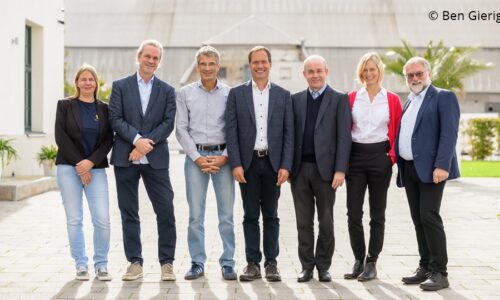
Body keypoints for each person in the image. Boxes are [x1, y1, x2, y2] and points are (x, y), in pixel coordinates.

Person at [108, 39, 177, 281]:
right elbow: (115, 118)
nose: (151, 61)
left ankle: (167, 263)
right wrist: (136, 140)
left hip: (156, 160)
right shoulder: (120, 86)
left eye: (156, 58)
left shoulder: (168, 91)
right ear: (139, 57)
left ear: (159, 62)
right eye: (147, 56)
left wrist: (145, 146)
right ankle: (135, 262)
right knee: (129, 212)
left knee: (166, 210)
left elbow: (168, 123)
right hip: (125, 158)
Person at [225, 46, 294, 282]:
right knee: (250, 214)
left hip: (274, 164)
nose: (260, 66)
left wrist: (286, 165)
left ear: (270, 64)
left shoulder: (284, 95)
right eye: (255, 62)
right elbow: (231, 132)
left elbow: (288, 134)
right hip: (249, 163)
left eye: (264, 62)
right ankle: (252, 263)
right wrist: (236, 163)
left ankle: (271, 264)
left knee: (272, 215)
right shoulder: (237, 94)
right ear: (250, 65)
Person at [396, 57, 460, 291]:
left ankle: (440, 273)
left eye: (418, 74)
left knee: (429, 217)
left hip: (433, 169)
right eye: (410, 75)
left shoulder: (443, 96)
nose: (414, 78)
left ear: (428, 74)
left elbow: (449, 133)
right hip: (410, 167)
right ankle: (425, 267)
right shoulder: (410, 101)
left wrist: (442, 165)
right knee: (418, 219)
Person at [176, 45, 237, 281]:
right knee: (195, 216)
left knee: (226, 215)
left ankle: (228, 262)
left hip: (223, 159)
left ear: (218, 66)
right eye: (203, 64)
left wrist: (225, 156)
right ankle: (197, 262)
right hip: (195, 159)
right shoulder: (185, 93)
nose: (208, 68)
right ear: (197, 66)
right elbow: (181, 129)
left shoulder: (230, 93)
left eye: (212, 64)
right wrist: (198, 158)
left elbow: (236, 128)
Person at [290, 55, 352, 283]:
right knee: (303, 222)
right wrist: (288, 168)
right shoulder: (294, 100)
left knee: (326, 221)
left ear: (326, 71)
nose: (315, 75)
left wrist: (340, 169)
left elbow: (344, 138)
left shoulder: (339, 99)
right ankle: (306, 266)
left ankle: (323, 266)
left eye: (319, 70)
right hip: (299, 171)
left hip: (326, 172)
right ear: (304, 74)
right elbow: (290, 136)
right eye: (310, 71)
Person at [344, 52, 402, 281]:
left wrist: (391, 157)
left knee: (377, 214)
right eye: (365, 70)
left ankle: (372, 261)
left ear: (380, 71)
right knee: (353, 213)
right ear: (361, 72)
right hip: (356, 158)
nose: (369, 74)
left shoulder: (392, 99)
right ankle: (358, 259)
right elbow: (345, 130)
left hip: (380, 157)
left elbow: (396, 130)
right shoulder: (350, 98)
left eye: (372, 69)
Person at [55, 64, 113, 281]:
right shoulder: (65, 106)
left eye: (92, 79)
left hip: (96, 169)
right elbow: (61, 137)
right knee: (74, 219)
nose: (88, 82)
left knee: (102, 219)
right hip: (68, 169)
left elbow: (108, 139)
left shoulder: (104, 109)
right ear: (76, 82)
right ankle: (81, 264)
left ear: (96, 84)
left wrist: (90, 163)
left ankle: (101, 264)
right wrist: (81, 164)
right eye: (84, 79)